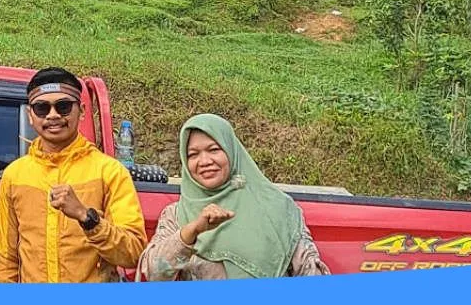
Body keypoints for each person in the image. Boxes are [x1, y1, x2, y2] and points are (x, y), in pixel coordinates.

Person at [0, 67, 146, 283]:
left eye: (63, 107)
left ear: (82, 111)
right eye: (41, 108)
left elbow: (133, 253)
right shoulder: (15, 175)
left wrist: (87, 218)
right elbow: (5, 261)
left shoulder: (109, 171)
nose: (53, 115)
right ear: (30, 115)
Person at [137, 113, 330, 280]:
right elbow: (155, 273)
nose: (204, 161)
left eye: (213, 150)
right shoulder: (177, 215)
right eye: (193, 154)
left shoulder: (277, 207)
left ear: (232, 151)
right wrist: (193, 231)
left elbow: (311, 276)